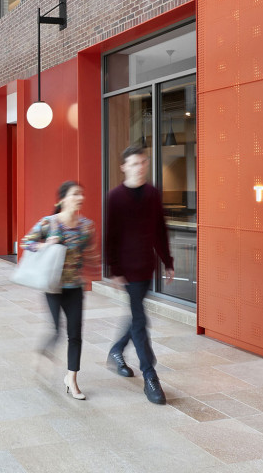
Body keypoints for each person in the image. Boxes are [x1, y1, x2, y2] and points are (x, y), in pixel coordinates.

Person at [106, 145, 174, 405]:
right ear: (124, 167)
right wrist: (114, 270)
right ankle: (150, 375)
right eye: (134, 163)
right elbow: (110, 234)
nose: (140, 167)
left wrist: (168, 261)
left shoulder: (153, 194)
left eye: (143, 162)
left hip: (146, 267)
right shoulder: (115, 196)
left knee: (136, 316)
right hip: (127, 269)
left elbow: (160, 229)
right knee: (140, 321)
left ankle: (116, 350)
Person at [21, 180, 96, 401]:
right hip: (53, 286)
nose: (80, 198)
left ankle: (71, 379)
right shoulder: (49, 223)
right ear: (62, 199)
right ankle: (42, 351)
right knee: (55, 330)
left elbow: (88, 253)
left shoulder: (86, 226)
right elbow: (26, 243)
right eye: (75, 194)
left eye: (81, 194)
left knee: (76, 335)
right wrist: (46, 245)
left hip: (75, 287)